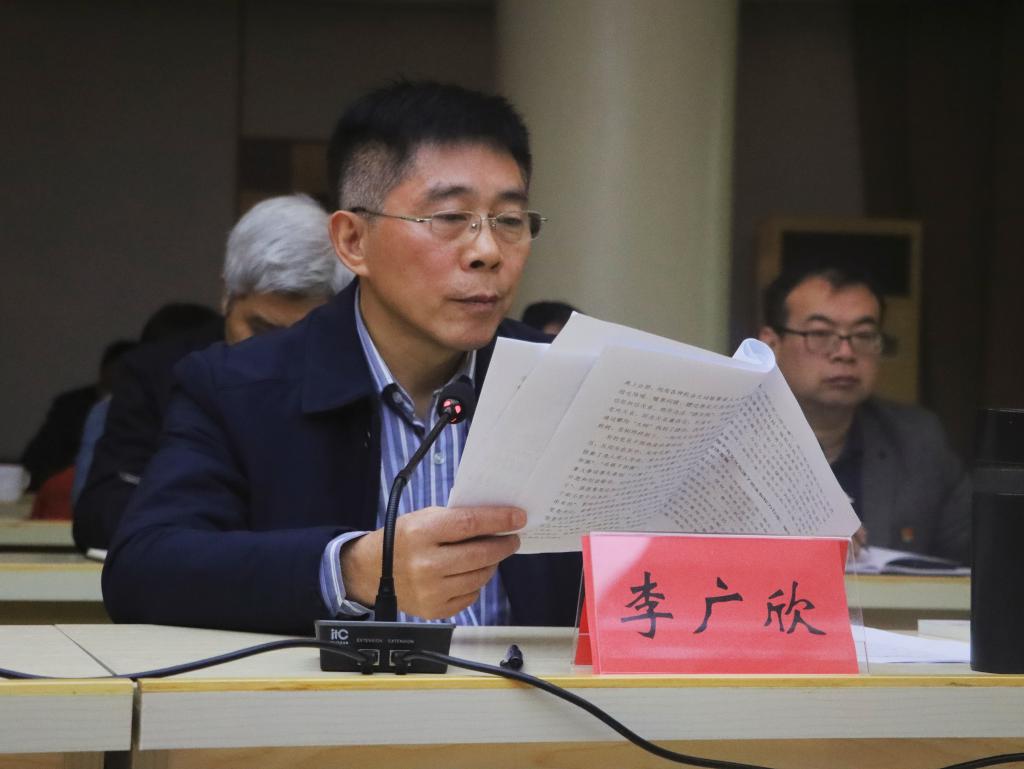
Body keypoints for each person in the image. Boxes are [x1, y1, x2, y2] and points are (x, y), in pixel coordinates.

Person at [102, 82, 581, 634]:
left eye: (510, 221)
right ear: (353, 241)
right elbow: (142, 570)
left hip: (537, 691)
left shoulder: (569, 384)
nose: (487, 251)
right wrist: (351, 569)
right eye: (451, 217)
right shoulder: (235, 387)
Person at [73, 195, 351, 551]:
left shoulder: (348, 379)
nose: (275, 354)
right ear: (226, 296)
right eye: (261, 330)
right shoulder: (156, 373)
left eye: (299, 337)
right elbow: (100, 515)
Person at [758, 265, 970, 563]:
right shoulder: (725, 442)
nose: (845, 352)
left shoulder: (918, 440)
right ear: (771, 344)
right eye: (820, 333)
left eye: (863, 335)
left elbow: (979, 561)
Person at [20, 339, 136, 493]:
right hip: (63, 484)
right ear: (105, 369)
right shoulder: (71, 406)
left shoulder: (142, 409)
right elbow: (41, 455)